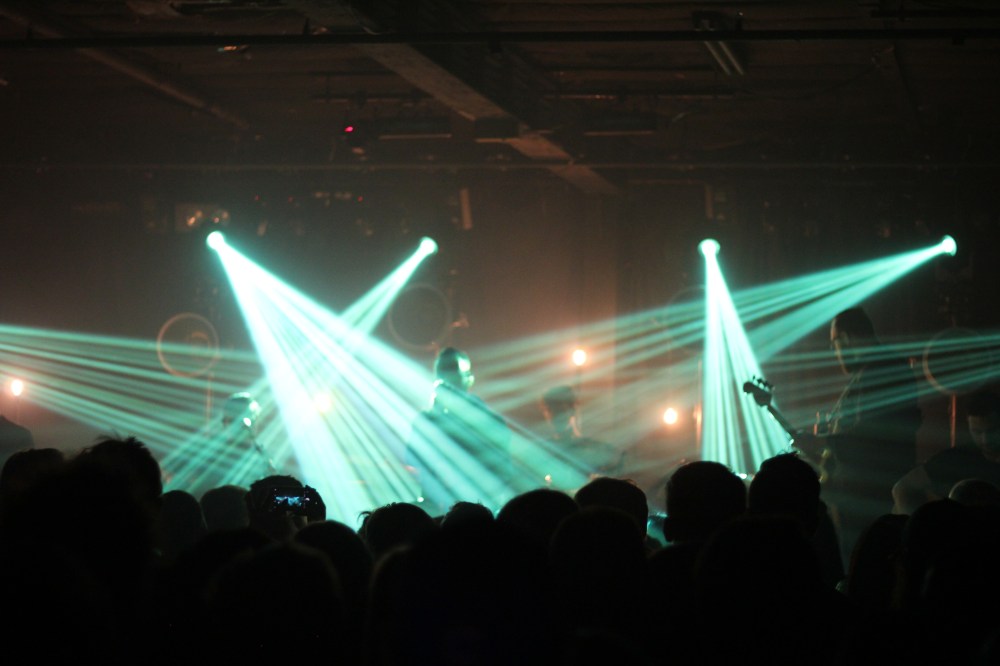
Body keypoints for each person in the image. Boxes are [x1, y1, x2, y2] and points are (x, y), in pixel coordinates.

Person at [793, 307, 921, 563]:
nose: (834, 352)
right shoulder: (875, 370)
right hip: (866, 500)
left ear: (847, 338)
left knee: (865, 568)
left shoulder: (880, 371)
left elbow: (871, 436)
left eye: (834, 344)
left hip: (868, 503)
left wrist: (822, 441)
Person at [405, 347, 512, 515]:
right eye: (443, 371)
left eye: (453, 370)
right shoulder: (427, 419)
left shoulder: (488, 420)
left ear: (469, 378)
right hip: (441, 509)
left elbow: (503, 466)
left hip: (479, 508)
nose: (448, 377)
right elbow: (412, 458)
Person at [892, 388, 1000, 514]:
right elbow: (902, 488)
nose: (985, 439)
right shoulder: (960, 457)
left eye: (992, 430)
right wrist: (916, 523)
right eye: (977, 431)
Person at [539, 385, 622, 491]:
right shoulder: (541, 449)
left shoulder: (596, 449)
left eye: (560, 409)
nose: (555, 415)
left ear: (573, 408)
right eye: (550, 409)